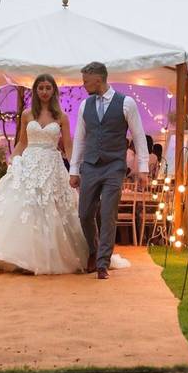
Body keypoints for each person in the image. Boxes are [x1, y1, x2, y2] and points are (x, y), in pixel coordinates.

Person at [0, 73, 91, 274]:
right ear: (36, 91)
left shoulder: (61, 117)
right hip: (29, 163)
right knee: (25, 207)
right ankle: (21, 257)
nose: (45, 92)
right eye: (41, 88)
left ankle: (44, 257)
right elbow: (22, 141)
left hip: (52, 165)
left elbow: (68, 145)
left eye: (48, 88)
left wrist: (75, 168)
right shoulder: (27, 114)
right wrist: (14, 158)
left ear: (53, 91)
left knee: (51, 207)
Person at [70, 61, 148, 279]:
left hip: (114, 166)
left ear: (98, 79)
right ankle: (94, 251)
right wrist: (74, 170)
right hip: (91, 167)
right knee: (84, 213)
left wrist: (143, 168)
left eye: (86, 81)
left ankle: (103, 262)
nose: (84, 85)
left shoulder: (127, 103)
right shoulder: (85, 105)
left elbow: (139, 136)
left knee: (107, 213)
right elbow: (80, 139)